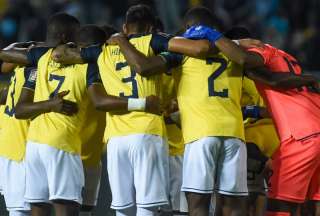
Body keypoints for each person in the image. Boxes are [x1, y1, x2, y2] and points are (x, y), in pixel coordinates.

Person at [52, 4, 215, 216]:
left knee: (123, 209)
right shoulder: (154, 42)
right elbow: (196, 48)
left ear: (125, 27)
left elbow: (58, 54)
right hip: (147, 132)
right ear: (150, 28)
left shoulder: (103, 50)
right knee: (148, 207)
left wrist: (113, 41)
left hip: (116, 139)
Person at [106, 6, 250, 216]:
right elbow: (252, 63)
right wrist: (237, 43)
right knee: (233, 204)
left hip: (198, 135)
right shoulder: (234, 54)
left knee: (196, 204)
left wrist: (120, 40)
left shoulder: (180, 55)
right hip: (235, 134)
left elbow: (145, 66)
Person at [188, 24, 320, 216]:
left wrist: (212, 35)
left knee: (278, 204)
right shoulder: (286, 56)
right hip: (313, 125)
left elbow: (263, 73)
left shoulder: (259, 51)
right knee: (311, 202)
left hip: (300, 136)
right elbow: (272, 79)